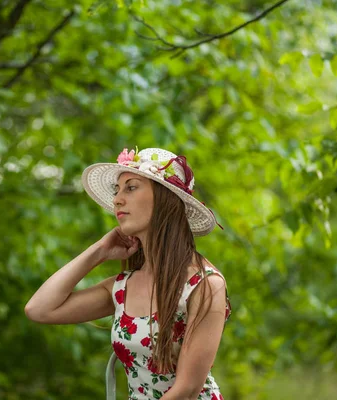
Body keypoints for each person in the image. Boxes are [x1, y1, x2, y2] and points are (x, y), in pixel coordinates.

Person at [25, 147, 231, 400]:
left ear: (165, 199)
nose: (117, 200)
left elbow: (186, 391)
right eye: (117, 190)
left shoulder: (205, 284)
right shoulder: (123, 287)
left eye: (131, 187)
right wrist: (98, 251)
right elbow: (39, 309)